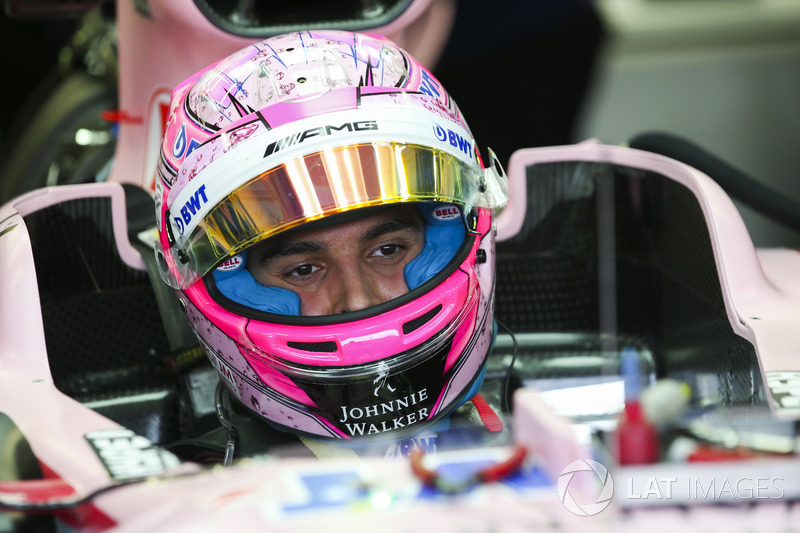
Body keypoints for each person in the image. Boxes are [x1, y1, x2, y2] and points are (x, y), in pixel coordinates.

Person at [154, 30, 508, 459]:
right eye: (303, 270)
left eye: (388, 250)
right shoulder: (187, 504)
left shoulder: (562, 431)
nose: (356, 300)